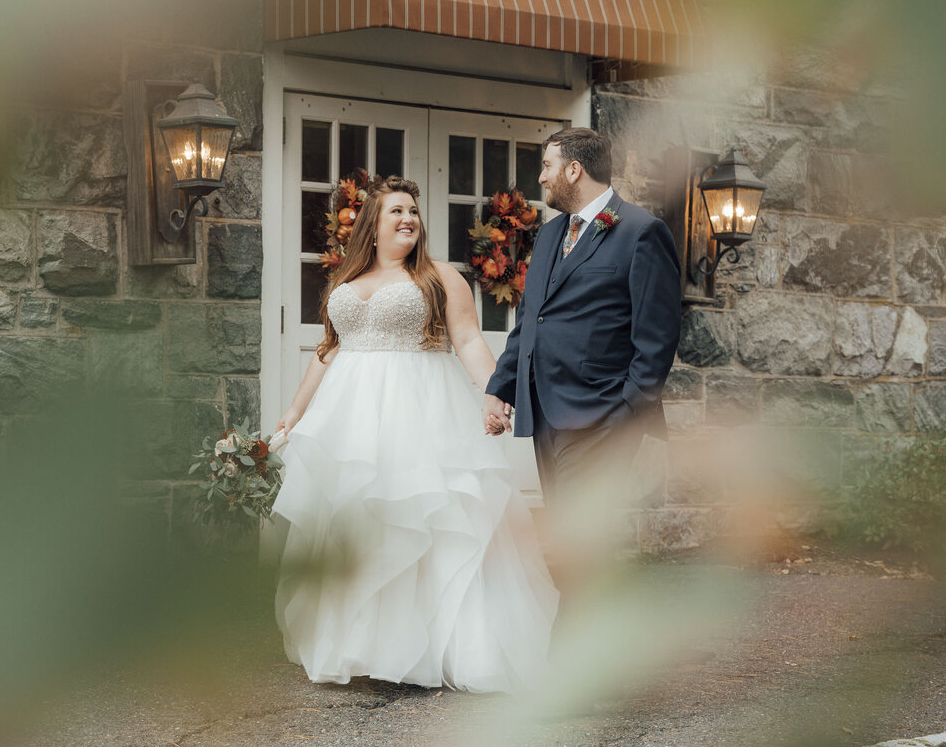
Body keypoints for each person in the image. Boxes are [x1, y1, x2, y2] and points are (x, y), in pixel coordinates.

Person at [272, 176, 558, 694]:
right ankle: (362, 643)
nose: (408, 219)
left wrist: (497, 392)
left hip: (419, 410)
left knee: (422, 516)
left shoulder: (438, 276)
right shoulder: (346, 280)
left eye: (413, 212)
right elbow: (328, 351)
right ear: (372, 226)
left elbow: (469, 339)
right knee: (358, 520)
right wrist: (294, 412)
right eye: (396, 211)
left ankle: (438, 646)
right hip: (351, 419)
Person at [483, 127, 681, 516]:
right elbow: (529, 321)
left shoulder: (640, 232)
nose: (541, 177)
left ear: (574, 170)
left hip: (603, 413)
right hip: (544, 413)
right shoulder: (550, 234)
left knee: (581, 532)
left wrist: (627, 408)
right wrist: (500, 388)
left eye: (547, 166)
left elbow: (658, 336)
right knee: (564, 530)